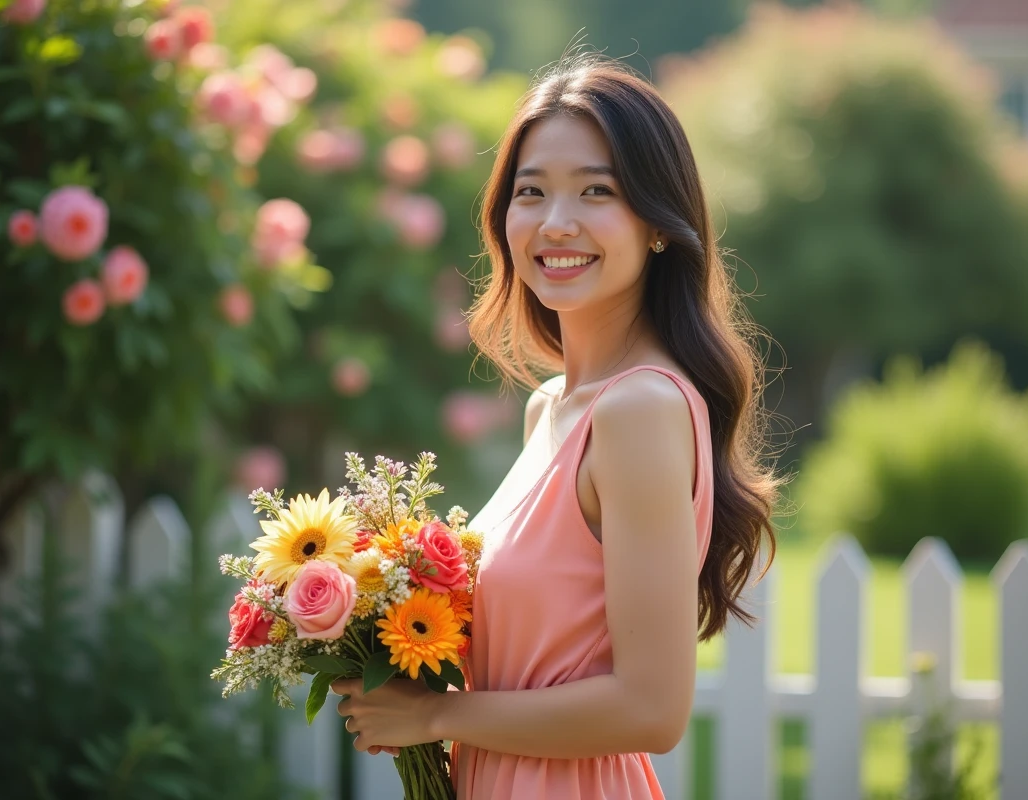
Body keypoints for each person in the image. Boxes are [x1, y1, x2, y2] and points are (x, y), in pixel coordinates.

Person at [333, 51, 780, 799]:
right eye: (530, 192)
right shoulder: (552, 407)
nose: (556, 222)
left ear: (660, 225)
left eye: (596, 191)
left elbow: (651, 710)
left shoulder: (639, 411)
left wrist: (437, 719)